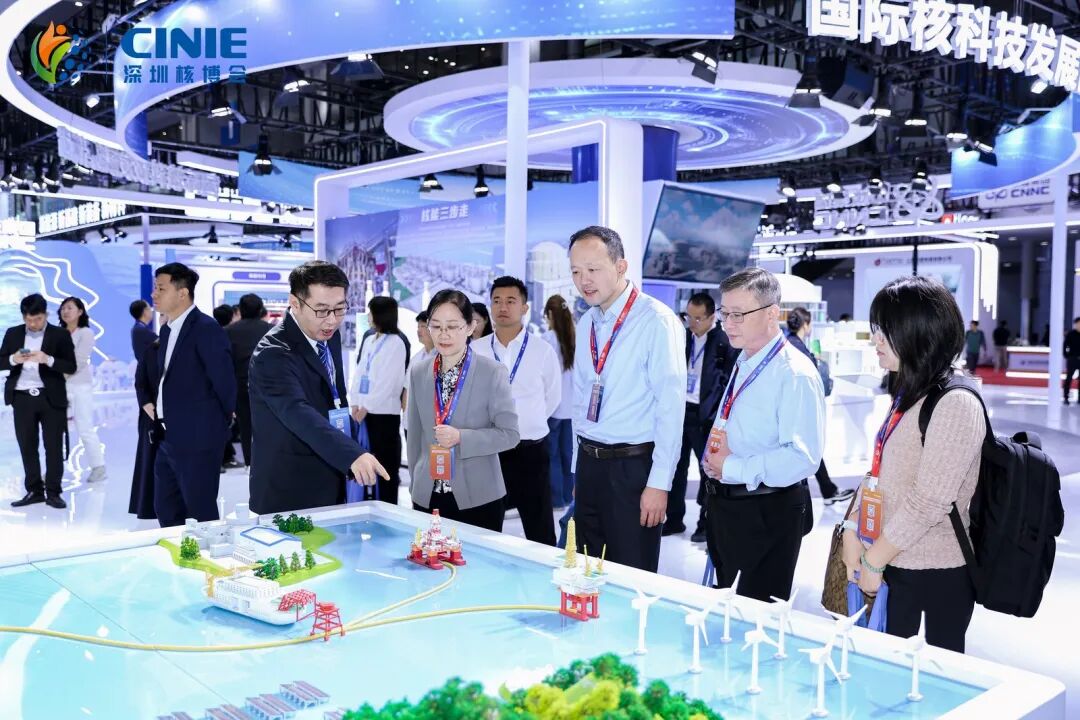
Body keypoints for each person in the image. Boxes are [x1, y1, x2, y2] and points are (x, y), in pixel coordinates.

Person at [842, 275, 984, 653]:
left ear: (918, 332)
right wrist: (852, 527)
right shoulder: (909, 391)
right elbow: (881, 471)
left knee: (929, 676)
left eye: (885, 330)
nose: (876, 341)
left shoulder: (955, 402)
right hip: (894, 558)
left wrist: (874, 561)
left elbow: (930, 501)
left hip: (934, 572)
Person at [702, 268, 824, 601]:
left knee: (755, 614)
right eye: (725, 313)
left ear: (772, 314)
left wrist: (732, 467)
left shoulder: (794, 373)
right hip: (727, 505)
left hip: (765, 510)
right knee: (729, 607)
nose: (728, 323)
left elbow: (802, 458)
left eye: (739, 314)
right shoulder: (744, 359)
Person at [569, 226, 685, 573]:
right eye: (576, 271)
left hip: (633, 470)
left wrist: (659, 483)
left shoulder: (656, 321)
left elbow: (670, 408)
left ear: (621, 266)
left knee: (631, 574)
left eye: (593, 269)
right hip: (590, 464)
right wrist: (578, 472)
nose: (584, 280)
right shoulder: (587, 323)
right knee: (587, 573)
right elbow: (580, 400)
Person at [249, 261, 388, 515]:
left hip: (330, 476)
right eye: (322, 310)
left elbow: (335, 394)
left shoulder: (328, 335)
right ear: (295, 303)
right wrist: (350, 454)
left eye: (340, 309)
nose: (332, 320)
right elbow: (297, 412)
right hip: (290, 487)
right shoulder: (273, 353)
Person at [406, 290, 519, 531]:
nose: (443, 334)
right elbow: (414, 436)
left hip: (479, 497)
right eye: (436, 326)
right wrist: (416, 484)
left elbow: (510, 435)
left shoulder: (492, 372)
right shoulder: (419, 372)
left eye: (452, 326)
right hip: (428, 494)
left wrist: (461, 437)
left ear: (470, 327)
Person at [473, 276, 561, 545]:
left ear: (524, 307)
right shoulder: (475, 350)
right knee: (484, 527)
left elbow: (552, 398)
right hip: (488, 452)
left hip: (530, 451)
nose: (503, 307)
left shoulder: (542, 350)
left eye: (511, 301)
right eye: (497, 301)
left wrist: (525, 421)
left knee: (540, 529)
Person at [151, 263, 236, 526]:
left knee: (201, 511)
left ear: (182, 293)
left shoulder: (205, 328)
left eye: (161, 288)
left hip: (199, 436)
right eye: (155, 288)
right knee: (166, 509)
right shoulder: (167, 330)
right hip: (167, 434)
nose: (154, 294)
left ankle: (208, 553)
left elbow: (224, 381)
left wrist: (217, 426)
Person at [668, 292, 739, 543]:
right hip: (681, 412)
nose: (692, 322)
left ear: (711, 317)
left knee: (707, 471)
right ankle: (674, 518)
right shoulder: (683, 338)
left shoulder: (724, 342)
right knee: (676, 467)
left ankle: (704, 524)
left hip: (706, 418)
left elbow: (729, 382)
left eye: (698, 318)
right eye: (689, 317)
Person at [2, 293, 77, 508]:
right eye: (29, 320)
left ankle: (53, 492)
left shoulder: (60, 334)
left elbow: (71, 366)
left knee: (53, 446)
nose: (34, 324)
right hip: (22, 397)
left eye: (38, 319)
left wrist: (48, 359)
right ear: (23, 317)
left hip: (50, 397)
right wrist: (13, 359)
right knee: (27, 445)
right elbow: (0, 361)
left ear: (46, 314)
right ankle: (34, 490)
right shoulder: (13, 333)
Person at [786, 307, 853, 506]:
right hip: (798, 408)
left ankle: (827, 490)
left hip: (795, 407)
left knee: (807, 449)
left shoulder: (791, 344)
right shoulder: (797, 347)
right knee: (806, 450)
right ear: (805, 324)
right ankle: (823, 492)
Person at [350, 296, 409, 505]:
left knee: (386, 465)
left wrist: (366, 407)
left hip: (384, 414)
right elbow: (359, 372)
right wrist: (355, 402)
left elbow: (390, 382)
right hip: (363, 412)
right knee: (364, 462)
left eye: (371, 312)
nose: (369, 317)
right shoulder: (369, 339)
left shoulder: (397, 343)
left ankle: (387, 506)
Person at [59, 297, 106, 482]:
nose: (65, 311)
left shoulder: (86, 333)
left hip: (79, 385)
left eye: (70, 308)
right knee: (54, 429)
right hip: (59, 386)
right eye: (63, 308)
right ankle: (54, 470)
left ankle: (98, 467)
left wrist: (59, 375)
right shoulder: (58, 333)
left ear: (80, 312)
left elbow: (79, 361)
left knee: (84, 427)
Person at [226, 293, 272, 466]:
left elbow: (225, 362)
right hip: (267, 385)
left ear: (241, 310)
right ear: (260, 309)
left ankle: (249, 462)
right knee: (268, 424)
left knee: (245, 425)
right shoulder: (271, 330)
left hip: (239, 385)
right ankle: (267, 461)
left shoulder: (228, 331)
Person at [543, 294, 576, 509]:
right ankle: (568, 498)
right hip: (572, 409)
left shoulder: (547, 339)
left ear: (550, 314)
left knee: (552, 456)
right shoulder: (576, 338)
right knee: (568, 456)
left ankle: (556, 500)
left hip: (552, 408)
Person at [129, 338, 160, 519]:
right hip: (152, 416)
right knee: (150, 460)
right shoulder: (151, 350)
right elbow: (140, 383)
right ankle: (149, 507)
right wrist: (148, 405)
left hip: (181, 416)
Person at [1065, 317, 1080, 405]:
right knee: (1069, 378)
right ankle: (1066, 397)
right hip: (1072, 359)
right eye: (1078, 323)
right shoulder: (1071, 334)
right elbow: (1065, 345)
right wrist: (1067, 355)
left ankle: (1079, 398)